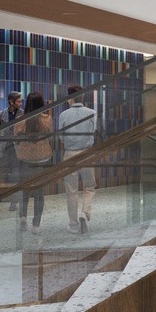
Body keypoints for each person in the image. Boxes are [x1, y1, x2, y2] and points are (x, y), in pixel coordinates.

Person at [57, 86, 100, 235]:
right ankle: (85, 213)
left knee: (71, 190)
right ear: (82, 97)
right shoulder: (92, 113)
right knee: (89, 187)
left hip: (69, 154)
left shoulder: (63, 115)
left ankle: (73, 225)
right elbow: (94, 131)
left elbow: (61, 137)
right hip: (87, 153)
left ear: (70, 98)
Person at [13, 91, 52, 233]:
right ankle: (36, 225)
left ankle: (23, 217)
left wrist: (21, 153)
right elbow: (50, 137)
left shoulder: (20, 120)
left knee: (24, 191)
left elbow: (15, 141)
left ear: (27, 103)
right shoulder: (47, 119)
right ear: (41, 104)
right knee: (39, 193)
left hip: (24, 160)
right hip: (42, 160)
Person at [0, 91, 24, 206]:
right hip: (4, 148)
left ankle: (14, 201)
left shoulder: (23, 114)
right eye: (18, 101)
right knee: (2, 173)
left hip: (16, 148)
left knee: (15, 174)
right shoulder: (2, 114)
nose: (21, 103)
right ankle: (1, 198)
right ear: (11, 102)